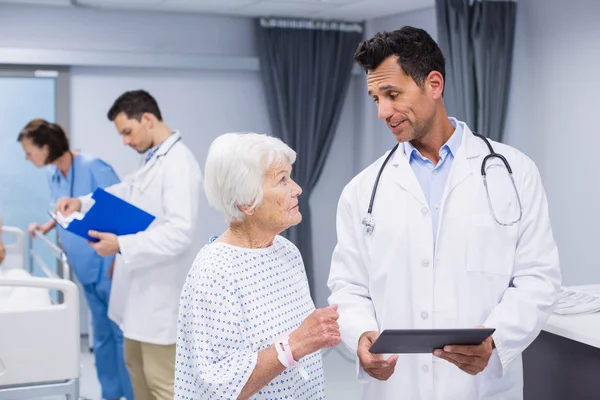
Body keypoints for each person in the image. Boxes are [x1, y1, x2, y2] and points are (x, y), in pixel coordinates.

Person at [327, 27, 561, 400]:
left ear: (433, 84)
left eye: (392, 95)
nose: (382, 112)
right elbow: (349, 287)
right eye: (375, 98)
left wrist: (496, 341)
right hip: (397, 387)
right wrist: (361, 335)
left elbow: (538, 278)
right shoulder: (362, 190)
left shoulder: (514, 172)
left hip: (482, 387)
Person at [55, 90, 203, 400]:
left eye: (127, 131)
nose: (124, 140)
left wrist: (120, 244)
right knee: (138, 379)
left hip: (161, 299)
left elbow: (180, 233)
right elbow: (125, 191)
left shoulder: (179, 163)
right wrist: (80, 203)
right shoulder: (152, 160)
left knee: (163, 387)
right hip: (137, 301)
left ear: (147, 119)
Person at [174, 132, 340, 399]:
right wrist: (296, 344)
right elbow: (219, 386)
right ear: (246, 202)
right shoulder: (214, 272)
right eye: (282, 180)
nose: (297, 188)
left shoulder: (287, 251)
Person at [18, 118, 133, 400]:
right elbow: (64, 212)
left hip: (107, 264)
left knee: (121, 335)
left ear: (46, 147)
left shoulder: (93, 167)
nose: (27, 157)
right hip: (84, 267)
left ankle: (132, 395)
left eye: (29, 151)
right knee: (102, 335)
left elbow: (121, 210)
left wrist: (121, 256)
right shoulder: (52, 174)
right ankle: (110, 394)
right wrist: (44, 227)